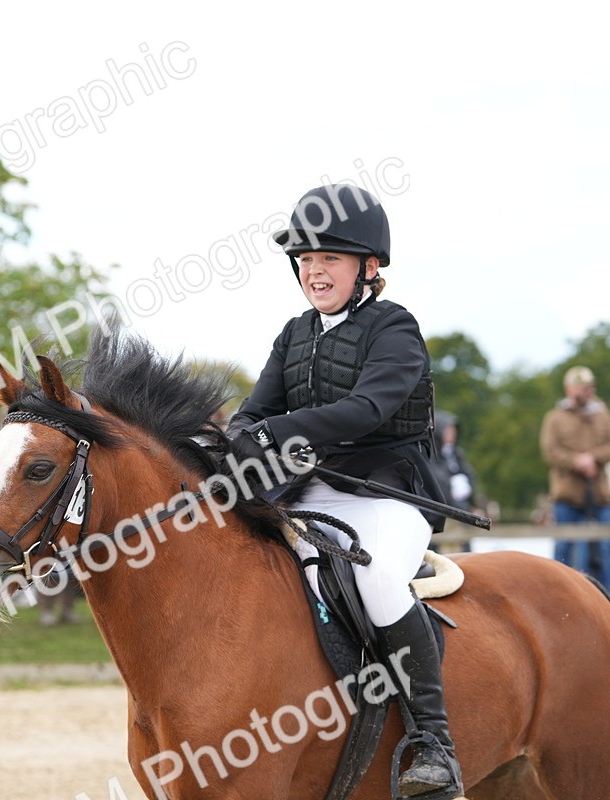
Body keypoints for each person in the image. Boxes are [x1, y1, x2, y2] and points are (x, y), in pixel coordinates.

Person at [227, 184, 460, 798]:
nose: (313, 270)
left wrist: (273, 430)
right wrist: (237, 437)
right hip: (308, 495)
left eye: (328, 258)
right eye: (304, 260)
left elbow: (367, 409)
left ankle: (432, 743)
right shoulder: (294, 333)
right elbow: (252, 412)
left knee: (379, 579)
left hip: (389, 495)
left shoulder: (394, 328)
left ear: (369, 267)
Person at [540, 366, 610, 583]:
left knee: (606, 546)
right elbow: (550, 451)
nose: (587, 391)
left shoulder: (602, 415)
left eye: (590, 387)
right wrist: (576, 462)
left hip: (599, 494)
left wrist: (593, 458)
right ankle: (558, 591)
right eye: (582, 387)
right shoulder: (555, 418)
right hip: (567, 495)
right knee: (564, 547)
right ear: (569, 388)